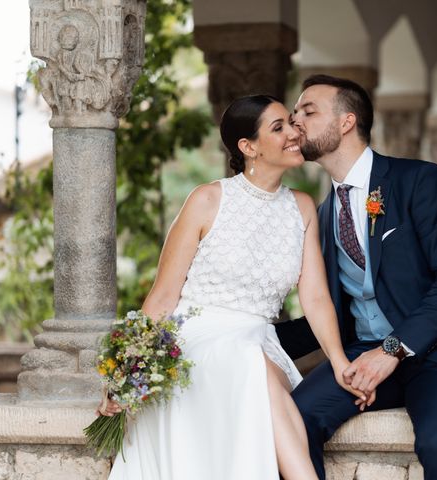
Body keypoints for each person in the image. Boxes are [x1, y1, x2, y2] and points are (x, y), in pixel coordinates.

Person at [100, 94, 368, 480]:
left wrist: (339, 361)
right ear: (248, 147)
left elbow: (315, 296)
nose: (294, 133)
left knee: (250, 359)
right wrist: (125, 374)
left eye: (290, 123)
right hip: (195, 339)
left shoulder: (303, 206)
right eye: (279, 128)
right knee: (246, 361)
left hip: (256, 339)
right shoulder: (207, 200)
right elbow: (163, 296)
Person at [275, 75, 437, 480]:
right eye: (294, 114)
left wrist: (390, 351)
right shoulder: (323, 214)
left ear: (346, 121)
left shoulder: (420, 181)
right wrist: (241, 337)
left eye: (308, 111)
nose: (295, 122)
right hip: (363, 355)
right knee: (293, 422)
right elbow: (328, 316)